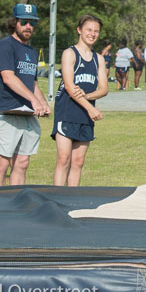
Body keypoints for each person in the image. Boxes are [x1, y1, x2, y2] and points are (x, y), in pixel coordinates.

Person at [0, 3, 50, 187]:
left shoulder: (31, 51)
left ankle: (17, 204)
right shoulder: (5, 45)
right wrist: (33, 100)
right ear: (15, 22)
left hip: (26, 115)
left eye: (32, 23)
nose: (28, 26)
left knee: (22, 163)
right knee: (2, 163)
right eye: (24, 22)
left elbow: (32, 83)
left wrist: (43, 103)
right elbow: (8, 78)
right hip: (6, 113)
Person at [52, 14, 108, 186]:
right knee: (64, 158)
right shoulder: (70, 54)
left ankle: (72, 199)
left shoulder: (98, 58)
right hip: (67, 112)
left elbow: (103, 89)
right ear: (79, 30)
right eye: (89, 30)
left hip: (85, 115)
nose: (92, 34)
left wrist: (88, 97)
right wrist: (91, 108)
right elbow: (69, 87)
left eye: (96, 31)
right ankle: (57, 198)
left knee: (78, 161)